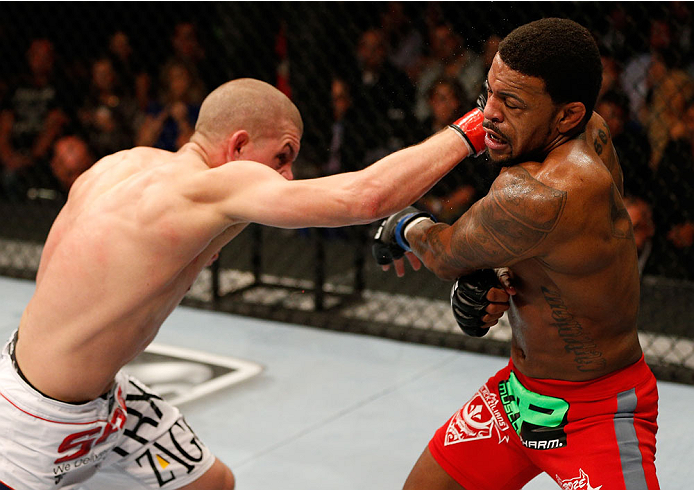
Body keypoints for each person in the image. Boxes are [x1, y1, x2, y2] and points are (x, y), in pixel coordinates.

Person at [0, 77, 488, 489]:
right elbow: (364, 196)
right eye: (282, 156)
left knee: (214, 482)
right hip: (32, 426)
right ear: (236, 147)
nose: (287, 175)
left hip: (82, 391)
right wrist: (478, 125)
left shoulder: (122, 164)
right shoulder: (208, 190)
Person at [373, 18, 659, 489]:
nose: (489, 114)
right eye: (489, 93)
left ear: (567, 115)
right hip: (518, 397)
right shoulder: (593, 130)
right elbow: (554, 254)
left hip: (597, 411)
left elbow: (445, 255)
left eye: (513, 103)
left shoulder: (540, 193)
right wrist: (498, 276)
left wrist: (407, 224)